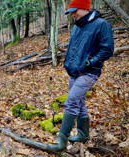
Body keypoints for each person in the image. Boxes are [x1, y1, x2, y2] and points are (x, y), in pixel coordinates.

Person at [48, 0, 114, 152]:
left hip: (89, 72)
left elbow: (107, 49)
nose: (73, 14)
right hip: (74, 72)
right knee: (79, 103)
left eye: (74, 11)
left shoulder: (101, 24)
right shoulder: (77, 26)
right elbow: (73, 49)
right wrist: (68, 63)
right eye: (71, 12)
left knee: (71, 101)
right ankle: (83, 136)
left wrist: (90, 63)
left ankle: (61, 142)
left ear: (85, 8)